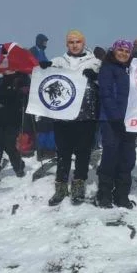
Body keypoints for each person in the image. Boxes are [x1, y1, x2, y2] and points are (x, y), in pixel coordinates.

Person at [44, 30, 101, 206]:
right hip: (62, 116)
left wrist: (96, 77)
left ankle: (78, 185)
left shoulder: (95, 62)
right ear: (66, 44)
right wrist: (43, 69)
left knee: (83, 152)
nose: (74, 45)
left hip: (85, 115)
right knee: (63, 152)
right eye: (71, 42)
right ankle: (61, 187)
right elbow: (45, 82)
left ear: (83, 43)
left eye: (77, 42)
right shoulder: (57, 61)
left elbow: (104, 82)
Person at [95, 39, 137, 208]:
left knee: (127, 158)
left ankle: (121, 195)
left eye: (127, 51)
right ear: (113, 51)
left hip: (131, 120)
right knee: (110, 156)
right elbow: (105, 94)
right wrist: (116, 117)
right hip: (111, 120)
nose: (123, 54)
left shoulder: (133, 70)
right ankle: (104, 194)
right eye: (120, 50)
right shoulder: (107, 68)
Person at [0, 69, 31, 182]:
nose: (7, 70)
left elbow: (26, 98)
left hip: (14, 120)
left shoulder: (22, 80)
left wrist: (24, 90)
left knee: (10, 145)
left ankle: (19, 168)